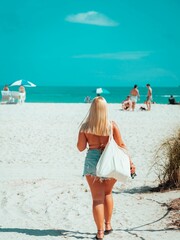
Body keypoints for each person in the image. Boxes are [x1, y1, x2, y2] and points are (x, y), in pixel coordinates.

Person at [77, 96, 135, 240]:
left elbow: (80, 148)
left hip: (92, 163)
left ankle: (100, 232)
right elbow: (121, 146)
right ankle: (108, 225)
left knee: (97, 199)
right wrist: (130, 163)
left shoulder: (85, 127)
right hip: (110, 162)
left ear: (92, 109)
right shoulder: (112, 125)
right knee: (108, 193)